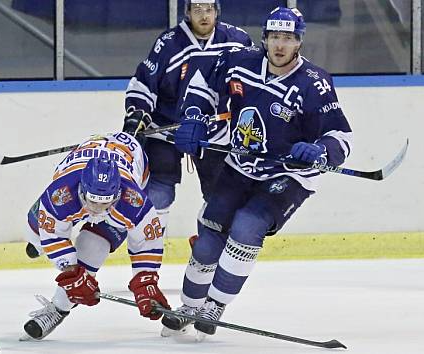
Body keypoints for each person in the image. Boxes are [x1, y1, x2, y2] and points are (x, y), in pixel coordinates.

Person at [163, 7, 353, 339]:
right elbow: (202, 84)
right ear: (265, 38)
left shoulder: (314, 83)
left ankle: (215, 304)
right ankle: (191, 306)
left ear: (299, 42)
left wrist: (320, 150)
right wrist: (194, 115)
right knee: (207, 241)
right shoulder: (241, 62)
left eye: (289, 38)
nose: (281, 45)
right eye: (275, 37)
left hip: (287, 175)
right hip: (238, 166)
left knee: (247, 225)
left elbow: (341, 137)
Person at [122, 0, 253, 242]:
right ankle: (148, 254)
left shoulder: (238, 40)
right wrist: (137, 113)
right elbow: (144, 82)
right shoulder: (170, 42)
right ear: (187, 12)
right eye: (197, 10)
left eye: (209, 10)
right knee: (159, 193)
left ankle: (206, 247)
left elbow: (253, 80)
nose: (204, 16)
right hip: (166, 128)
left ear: (217, 11)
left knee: (221, 197)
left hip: (213, 129)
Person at [21, 132, 170, 340]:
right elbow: (53, 234)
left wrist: (146, 282)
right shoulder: (61, 193)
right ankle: (36, 245)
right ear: (82, 188)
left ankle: (58, 309)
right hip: (82, 166)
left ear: (118, 193)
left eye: (105, 202)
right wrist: (72, 273)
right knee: (35, 230)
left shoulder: (134, 201)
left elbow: (148, 241)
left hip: (132, 160)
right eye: (93, 201)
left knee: (93, 247)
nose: (98, 209)